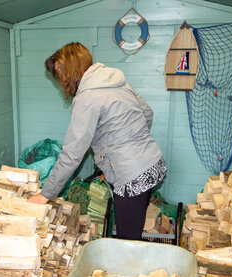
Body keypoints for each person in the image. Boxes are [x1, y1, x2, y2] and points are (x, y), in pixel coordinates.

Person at [28, 42, 167, 240]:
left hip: (131, 176)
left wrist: (46, 194)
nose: (62, 80)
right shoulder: (119, 82)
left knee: (127, 241)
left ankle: (129, 270)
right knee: (133, 232)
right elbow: (147, 113)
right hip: (152, 165)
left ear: (71, 68)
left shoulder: (87, 97)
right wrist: (133, 142)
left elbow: (72, 155)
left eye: (61, 72)